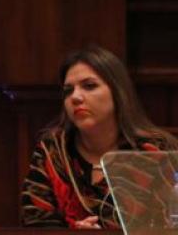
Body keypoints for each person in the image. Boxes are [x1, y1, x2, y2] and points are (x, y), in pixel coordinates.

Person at [21, 45, 178, 229]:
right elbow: (34, 222)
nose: (76, 97)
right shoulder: (53, 150)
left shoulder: (156, 152)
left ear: (117, 92)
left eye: (89, 86)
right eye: (68, 90)